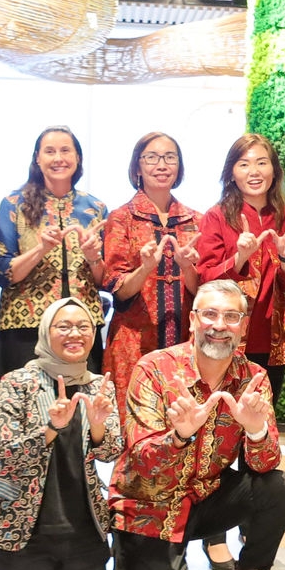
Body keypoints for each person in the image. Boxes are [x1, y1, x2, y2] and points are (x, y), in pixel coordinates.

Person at [108, 281, 285, 570]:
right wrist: (179, 436)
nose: (219, 325)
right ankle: (128, 560)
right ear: (193, 321)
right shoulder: (153, 369)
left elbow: (264, 465)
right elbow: (141, 460)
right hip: (150, 505)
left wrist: (255, 431)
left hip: (204, 496)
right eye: (210, 314)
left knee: (278, 487)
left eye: (230, 316)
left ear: (242, 325)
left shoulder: (253, 379)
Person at [0, 299, 122, 570]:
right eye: (64, 326)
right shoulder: (17, 383)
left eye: (83, 326)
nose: (75, 334)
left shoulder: (99, 386)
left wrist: (99, 428)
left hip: (80, 530)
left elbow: (111, 451)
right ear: (46, 332)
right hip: (19, 531)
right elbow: (7, 455)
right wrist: (50, 428)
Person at [196, 132, 285, 570]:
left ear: (273, 170)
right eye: (244, 163)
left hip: (269, 342)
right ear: (231, 171)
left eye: (261, 163)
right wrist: (238, 259)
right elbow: (204, 278)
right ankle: (213, 535)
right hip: (223, 343)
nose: (254, 171)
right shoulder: (218, 217)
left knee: (257, 434)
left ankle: (253, 527)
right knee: (217, 436)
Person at [0, 126, 109, 417]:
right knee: (27, 418)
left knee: (80, 419)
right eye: (50, 151)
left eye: (65, 150)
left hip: (81, 330)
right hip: (26, 329)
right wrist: (39, 249)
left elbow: (105, 280)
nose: (58, 158)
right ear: (37, 159)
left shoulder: (96, 208)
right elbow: (1, 272)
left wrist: (93, 258)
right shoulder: (14, 205)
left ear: (78, 158)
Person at [100, 131, 202, 410]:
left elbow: (203, 291)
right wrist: (145, 269)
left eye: (170, 158)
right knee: (132, 425)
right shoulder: (122, 218)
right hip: (132, 341)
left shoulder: (196, 220)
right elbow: (117, 288)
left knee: (181, 424)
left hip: (185, 341)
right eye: (152, 158)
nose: (162, 165)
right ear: (137, 167)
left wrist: (187, 268)